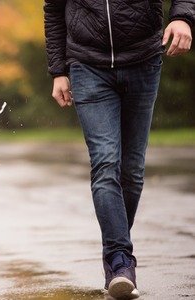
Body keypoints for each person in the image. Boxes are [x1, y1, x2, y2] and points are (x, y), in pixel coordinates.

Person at [44, 1, 194, 299]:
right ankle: (120, 262)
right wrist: (58, 70)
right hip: (87, 66)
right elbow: (54, 9)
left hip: (143, 59)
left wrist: (183, 18)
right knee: (105, 163)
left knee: (132, 170)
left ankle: (115, 256)